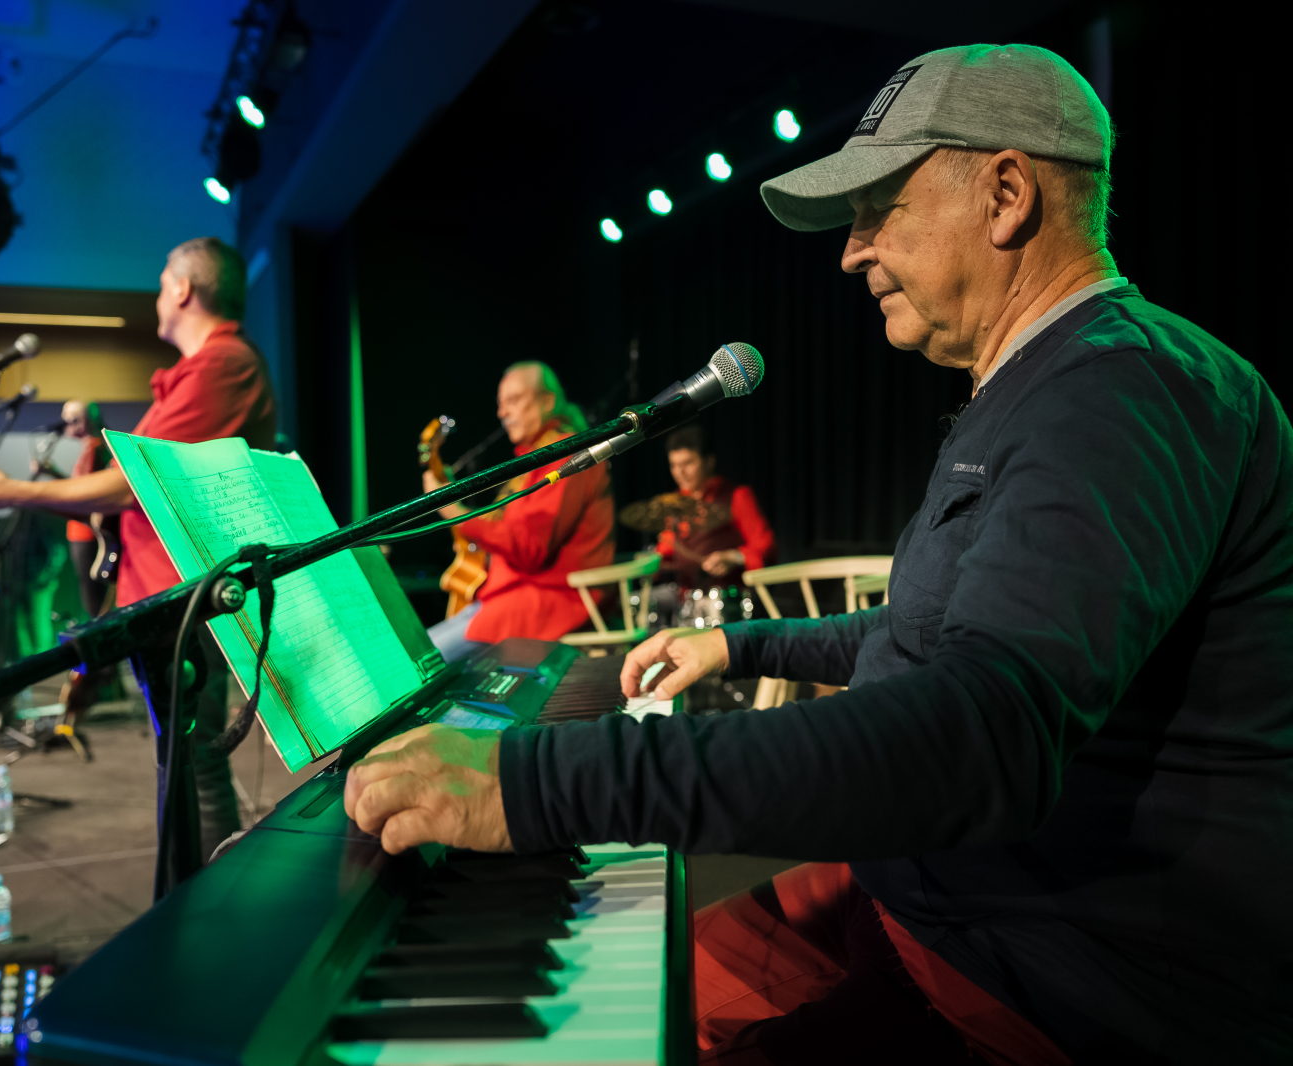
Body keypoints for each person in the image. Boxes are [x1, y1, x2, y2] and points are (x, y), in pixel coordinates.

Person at [342, 44, 1293, 1062]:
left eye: (878, 208)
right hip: (936, 904)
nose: (850, 253)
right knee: (665, 983)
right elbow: (932, 630)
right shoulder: (1035, 384)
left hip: (1051, 986)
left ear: (1007, 194)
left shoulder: (1126, 390)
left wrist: (537, 784)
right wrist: (741, 645)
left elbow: (981, 735)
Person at [0, 236, 276, 849]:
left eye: (162, 281)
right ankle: (190, 890)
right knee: (181, 764)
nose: (157, 295)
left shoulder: (222, 365)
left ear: (183, 289)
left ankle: (209, 896)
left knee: (197, 767)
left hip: (189, 597)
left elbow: (133, 484)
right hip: (170, 595)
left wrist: (13, 490)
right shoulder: (198, 374)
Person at [422, 362, 614, 663]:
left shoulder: (564, 454)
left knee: (420, 664)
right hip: (508, 598)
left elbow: (529, 549)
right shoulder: (538, 455)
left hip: (547, 603)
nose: (502, 413)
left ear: (547, 402)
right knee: (415, 652)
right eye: (500, 404)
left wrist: (454, 511)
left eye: (513, 400)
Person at [656, 424, 776, 587]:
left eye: (688, 463)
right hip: (686, 594)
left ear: (709, 462)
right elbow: (667, 549)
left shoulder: (736, 496)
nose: (680, 472)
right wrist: (654, 562)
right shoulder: (676, 503)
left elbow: (767, 546)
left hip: (729, 594)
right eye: (674, 465)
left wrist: (733, 557)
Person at [50, 400, 115, 621]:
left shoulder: (94, 447)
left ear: (87, 420)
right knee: (92, 597)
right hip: (83, 531)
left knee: (94, 601)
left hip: (86, 533)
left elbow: (84, 493)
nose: (66, 423)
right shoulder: (91, 447)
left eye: (72, 418)